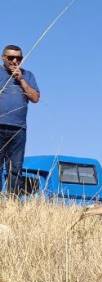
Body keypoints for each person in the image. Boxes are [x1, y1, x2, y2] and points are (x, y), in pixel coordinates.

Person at [0, 44, 40, 195]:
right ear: (3, 58)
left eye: (18, 58)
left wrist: (21, 80)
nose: (15, 61)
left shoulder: (28, 75)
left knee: (16, 167)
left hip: (18, 129)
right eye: (11, 58)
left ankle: (12, 200)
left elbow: (35, 98)